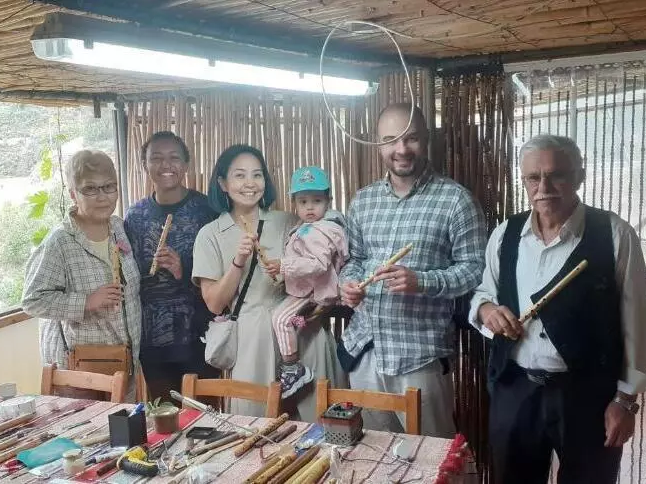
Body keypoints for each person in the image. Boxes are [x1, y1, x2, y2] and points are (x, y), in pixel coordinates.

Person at [469, 134, 646, 484]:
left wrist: (625, 401)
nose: (545, 187)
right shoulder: (505, 235)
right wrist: (487, 311)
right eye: (533, 178)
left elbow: (639, 324)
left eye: (558, 175)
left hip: (588, 396)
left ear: (580, 177)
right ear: (523, 181)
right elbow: (482, 294)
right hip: (516, 389)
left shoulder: (615, 235)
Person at [339, 103, 487, 438]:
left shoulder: (456, 200)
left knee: (432, 457)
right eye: (391, 140)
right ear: (378, 144)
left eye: (412, 139)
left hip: (419, 356)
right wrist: (347, 284)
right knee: (377, 453)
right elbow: (354, 260)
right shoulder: (363, 200)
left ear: (427, 140)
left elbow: (476, 270)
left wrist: (423, 281)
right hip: (366, 351)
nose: (402, 149)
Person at [192, 144, 345, 421]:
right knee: (256, 424)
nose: (250, 183)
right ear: (223, 184)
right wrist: (239, 261)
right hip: (253, 341)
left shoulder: (288, 221)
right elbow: (214, 303)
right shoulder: (210, 234)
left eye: (257, 175)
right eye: (239, 175)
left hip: (303, 329)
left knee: (322, 424)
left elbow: (326, 257)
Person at [23, 150, 141, 401]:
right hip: (81, 369)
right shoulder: (61, 241)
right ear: (73, 193)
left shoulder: (119, 227)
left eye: (109, 187)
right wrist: (86, 301)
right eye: (90, 189)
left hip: (125, 363)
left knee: (125, 434)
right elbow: (32, 301)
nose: (102, 197)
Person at [124, 131, 219, 402]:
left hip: (198, 334)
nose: (166, 165)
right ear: (145, 165)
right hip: (152, 338)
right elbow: (129, 275)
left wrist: (183, 270)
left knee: (205, 416)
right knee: (164, 415)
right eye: (157, 158)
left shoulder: (206, 210)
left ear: (186, 164)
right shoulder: (135, 215)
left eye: (174, 157)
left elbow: (223, 271)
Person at [265, 166, 348, 399]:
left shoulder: (320, 231)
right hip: (309, 288)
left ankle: (293, 368)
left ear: (328, 200)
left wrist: (284, 266)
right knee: (295, 320)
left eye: (317, 200)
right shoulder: (308, 228)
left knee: (279, 318)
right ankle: (299, 328)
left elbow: (319, 264)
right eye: (303, 202)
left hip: (312, 290)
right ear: (294, 203)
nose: (310, 207)